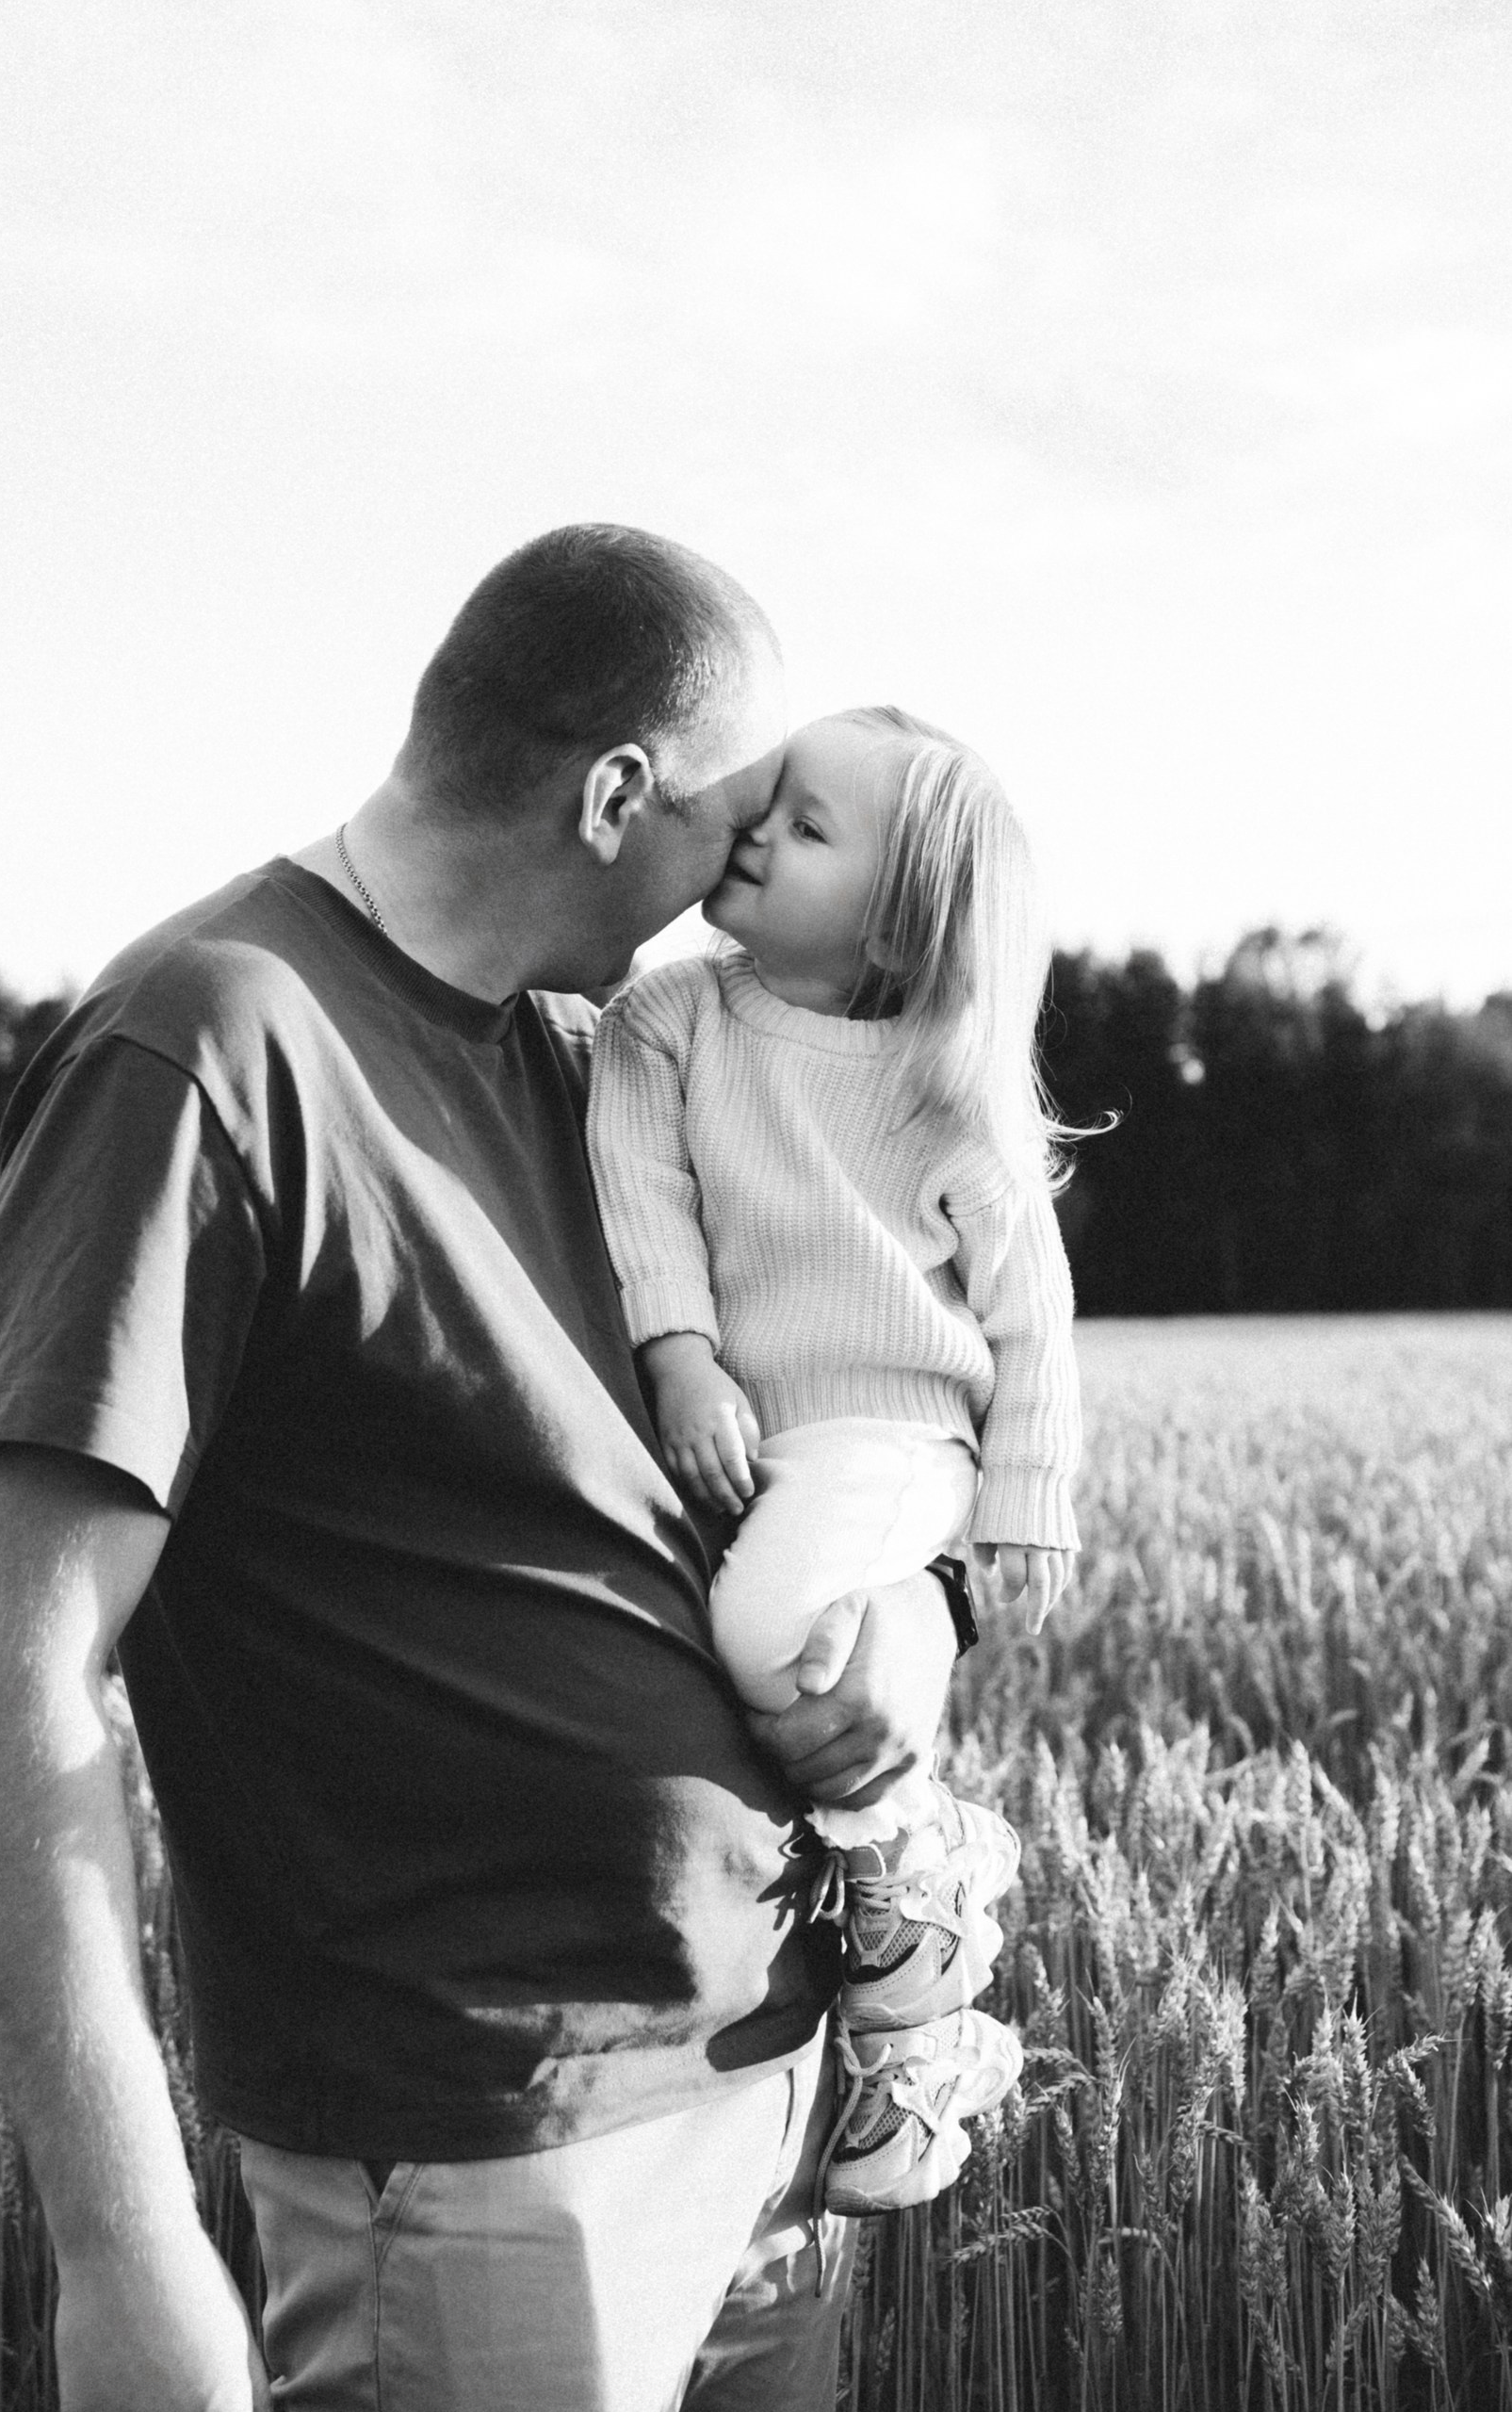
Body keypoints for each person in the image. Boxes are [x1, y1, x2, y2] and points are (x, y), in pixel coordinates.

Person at [0, 529, 974, 2412]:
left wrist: (915, 1606)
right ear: (615, 797)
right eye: (729, 829)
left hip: (766, 2091)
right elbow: (7, 1661)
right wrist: (121, 2244)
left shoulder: (608, 1055)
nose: (738, 892)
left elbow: (853, 1381)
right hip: (488, 2145)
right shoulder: (206, 1046)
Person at [586, 706, 1082, 2215]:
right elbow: (642, 1196)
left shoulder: (945, 1088)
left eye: (806, 828)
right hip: (764, 1426)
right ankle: (917, 2013)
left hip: (893, 1437)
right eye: (770, 803)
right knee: (787, 1657)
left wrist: (1025, 1507)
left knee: (762, 1634)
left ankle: (921, 1855)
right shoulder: (668, 1020)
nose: (752, 830)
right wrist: (679, 1351)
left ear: (898, 924)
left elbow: (1031, 1320)